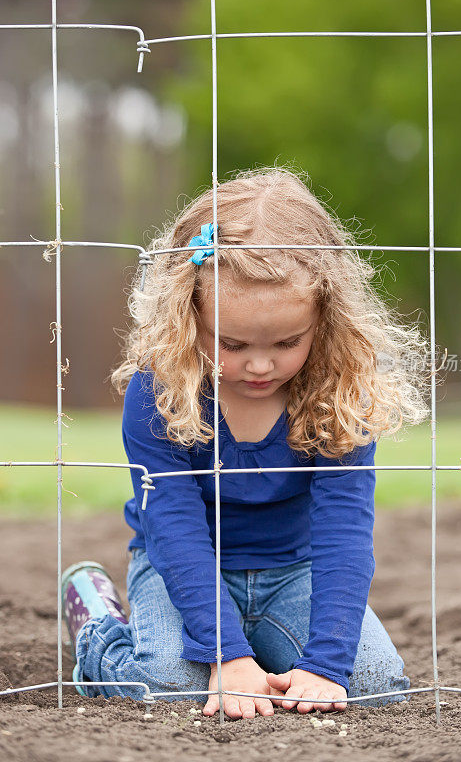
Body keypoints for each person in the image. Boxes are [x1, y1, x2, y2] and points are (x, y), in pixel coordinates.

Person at [62, 166, 430, 720]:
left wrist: (326, 666)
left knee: (375, 684)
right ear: (187, 317)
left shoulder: (340, 391)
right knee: (169, 688)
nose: (260, 365)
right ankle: (96, 624)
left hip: (294, 571)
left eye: (287, 342)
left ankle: (265, 655)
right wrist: (224, 654)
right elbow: (174, 529)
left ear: (324, 321)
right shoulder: (159, 392)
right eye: (232, 343)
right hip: (181, 567)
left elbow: (345, 530)